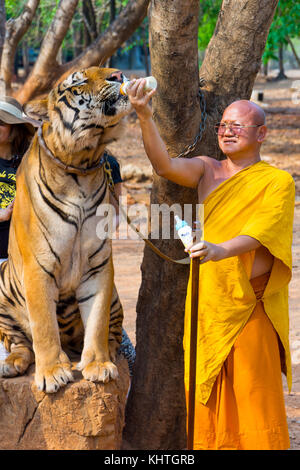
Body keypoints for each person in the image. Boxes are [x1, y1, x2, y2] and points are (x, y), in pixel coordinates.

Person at [127, 78, 295, 450]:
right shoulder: (207, 170)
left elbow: (263, 233)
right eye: (223, 126)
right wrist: (144, 116)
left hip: (252, 306)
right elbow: (164, 165)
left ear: (262, 133)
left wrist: (220, 250)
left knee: (253, 392)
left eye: (238, 126)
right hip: (208, 301)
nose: (227, 131)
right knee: (208, 387)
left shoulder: (278, 182)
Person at [0, 96, 40, 361]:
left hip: (26, 257)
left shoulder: (28, 162)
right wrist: (3, 214)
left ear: (14, 129)